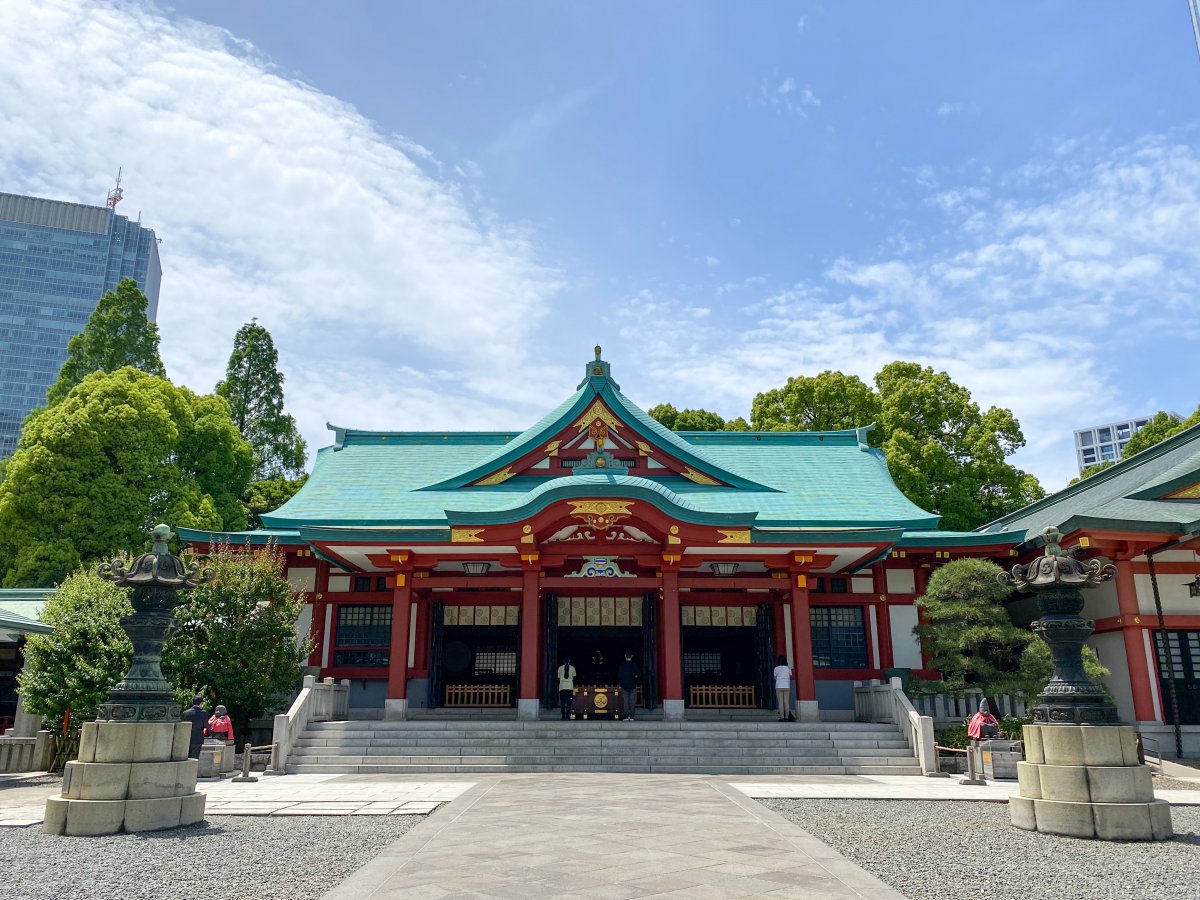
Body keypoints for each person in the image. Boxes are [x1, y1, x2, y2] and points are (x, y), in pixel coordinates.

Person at [616, 651, 638, 721]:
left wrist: (621, 684)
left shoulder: (622, 665)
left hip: (624, 686)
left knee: (625, 702)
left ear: (625, 656)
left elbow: (620, 676)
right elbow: (637, 675)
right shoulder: (634, 665)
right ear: (632, 656)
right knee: (632, 702)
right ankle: (631, 717)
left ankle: (626, 717)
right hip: (633, 685)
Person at [773, 655, 793, 722]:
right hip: (786, 686)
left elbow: (775, 677)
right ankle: (787, 718)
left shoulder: (776, 668)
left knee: (780, 702)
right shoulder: (788, 668)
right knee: (786, 702)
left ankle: (782, 717)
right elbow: (790, 676)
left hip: (779, 686)